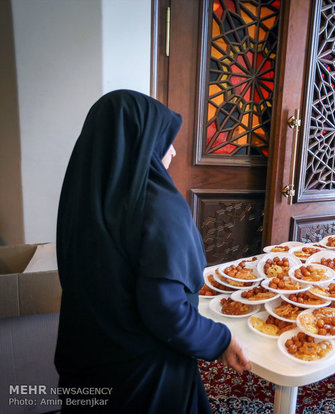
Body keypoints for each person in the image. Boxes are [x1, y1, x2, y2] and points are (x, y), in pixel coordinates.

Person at [55, 90, 250, 413]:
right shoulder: (158, 205)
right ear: (138, 142)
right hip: (144, 381)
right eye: (164, 139)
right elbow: (168, 313)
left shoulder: (83, 202)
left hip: (86, 363)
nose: (172, 151)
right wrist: (221, 340)